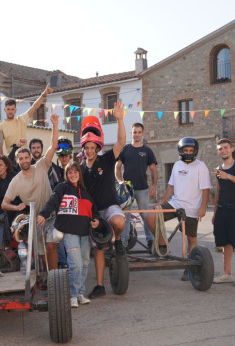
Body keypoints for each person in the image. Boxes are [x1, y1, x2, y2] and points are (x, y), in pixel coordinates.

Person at [145, 137, 210, 280]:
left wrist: (203, 208)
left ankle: (189, 267)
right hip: (175, 203)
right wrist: (161, 202)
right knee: (150, 216)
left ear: (195, 151)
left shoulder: (201, 166)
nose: (188, 153)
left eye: (190, 151)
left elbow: (205, 189)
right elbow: (171, 187)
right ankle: (162, 245)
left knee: (191, 240)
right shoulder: (177, 165)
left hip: (191, 208)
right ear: (181, 151)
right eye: (185, 150)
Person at [1, 110, 59, 270]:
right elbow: (4, 204)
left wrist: (55, 125)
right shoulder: (16, 181)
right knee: (41, 253)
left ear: (30, 158)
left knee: (52, 246)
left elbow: (53, 146)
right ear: (17, 161)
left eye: (27, 157)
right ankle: (47, 279)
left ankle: (54, 278)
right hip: (34, 220)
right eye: (21, 158)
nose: (25, 160)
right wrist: (16, 207)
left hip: (50, 215)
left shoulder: (40, 165)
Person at [80, 101, 126, 299]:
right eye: (87, 147)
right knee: (98, 247)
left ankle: (117, 242)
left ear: (97, 147)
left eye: (92, 147)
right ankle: (100, 285)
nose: (90, 150)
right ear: (83, 148)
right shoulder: (79, 168)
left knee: (119, 221)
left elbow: (122, 142)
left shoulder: (107, 159)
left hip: (110, 206)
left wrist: (120, 119)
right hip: (94, 213)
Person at [38, 160, 99, 307]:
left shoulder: (86, 194)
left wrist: (97, 221)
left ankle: (79, 293)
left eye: (75, 171)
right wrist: (43, 214)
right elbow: (52, 201)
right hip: (69, 232)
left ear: (80, 174)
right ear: (66, 174)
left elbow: (94, 213)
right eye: (69, 172)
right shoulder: (62, 188)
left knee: (84, 263)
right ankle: (72, 294)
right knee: (75, 264)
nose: (73, 174)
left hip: (85, 233)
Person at [115, 123, 158, 251]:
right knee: (125, 216)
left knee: (145, 215)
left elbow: (154, 170)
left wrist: (154, 186)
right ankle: (123, 242)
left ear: (142, 133)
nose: (137, 134)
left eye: (139, 132)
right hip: (127, 189)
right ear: (131, 133)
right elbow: (117, 168)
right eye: (135, 132)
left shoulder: (147, 151)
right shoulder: (125, 149)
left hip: (142, 188)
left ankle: (151, 241)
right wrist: (120, 181)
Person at [211, 139, 235, 287]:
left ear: (232, 149)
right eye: (220, 149)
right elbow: (219, 190)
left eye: (225, 148)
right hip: (221, 210)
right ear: (218, 152)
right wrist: (214, 213)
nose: (223, 151)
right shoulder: (218, 168)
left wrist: (229, 176)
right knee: (224, 242)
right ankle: (227, 274)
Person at [0, 84, 53, 157]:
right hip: (12, 158)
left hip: (26, 156)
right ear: (5, 110)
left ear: (15, 110)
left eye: (12, 109)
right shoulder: (0, 127)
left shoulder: (21, 119)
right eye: (8, 109)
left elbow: (34, 107)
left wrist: (43, 95)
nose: (10, 111)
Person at [54, 136, 75, 269]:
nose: (64, 158)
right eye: (61, 156)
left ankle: (72, 263)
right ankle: (63, 264)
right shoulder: (53, 171)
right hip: (59, 210)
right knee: (59, 238)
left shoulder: (77, 170)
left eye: (66, 156)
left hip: (74, 209)